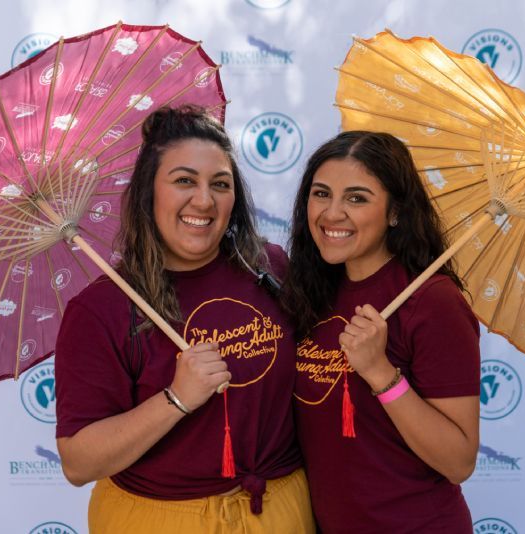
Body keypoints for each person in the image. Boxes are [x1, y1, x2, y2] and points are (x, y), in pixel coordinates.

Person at [54, 106, 314, 533]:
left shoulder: (270, 268)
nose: (204, 200)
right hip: (160, 520)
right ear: (149, 193)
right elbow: (79, 463)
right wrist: (177, 399)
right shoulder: (100, 309)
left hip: (277, 511)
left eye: (220, 184)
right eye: (184, 181)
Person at [283, 131, 481, 533]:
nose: (332, 213)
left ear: (395, 212)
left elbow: (459, 461)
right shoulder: (311, 291)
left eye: (357, 198)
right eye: (321, 194)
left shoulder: (433, 302)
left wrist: (380, 373)